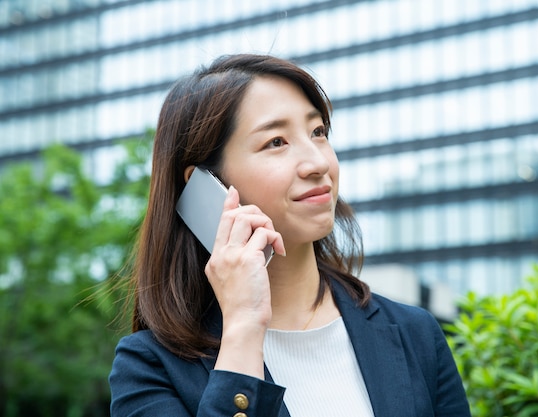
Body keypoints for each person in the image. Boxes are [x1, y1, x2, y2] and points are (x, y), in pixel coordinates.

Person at [108, 53, 471, 417]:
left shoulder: (415, 334)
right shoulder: (148, 368)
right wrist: (244, 329)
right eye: (276, 142)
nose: (317, 163)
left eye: (318, 132)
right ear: (204, 186)